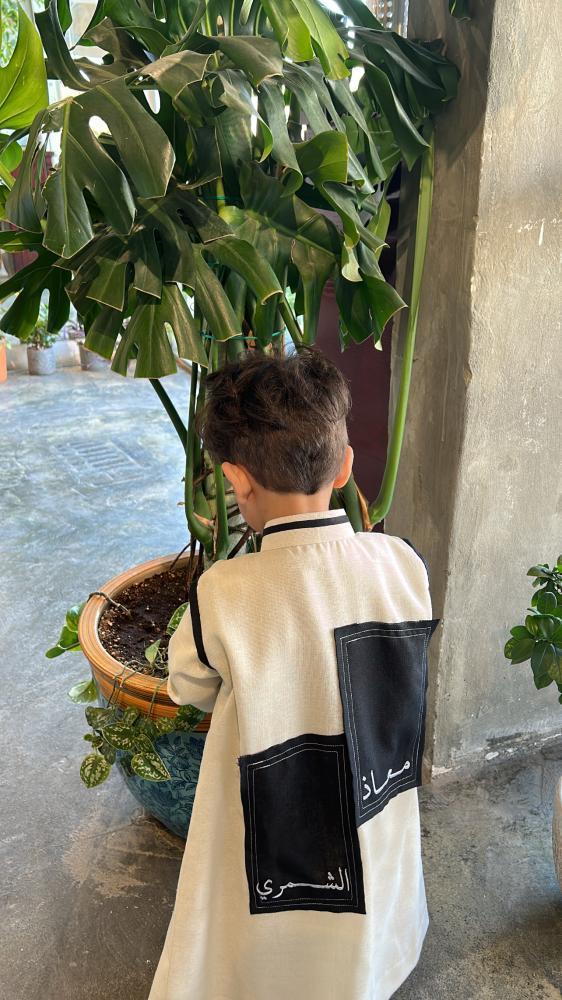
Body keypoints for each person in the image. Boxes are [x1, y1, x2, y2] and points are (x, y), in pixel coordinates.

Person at [148, 348, 440, 1000]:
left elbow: (188, 686)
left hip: (275, 819)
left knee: (271, 931)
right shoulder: (403, 563)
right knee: (369, 895)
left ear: (236, 480)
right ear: (345, 466)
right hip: (375, 795)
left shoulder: (224, 592)